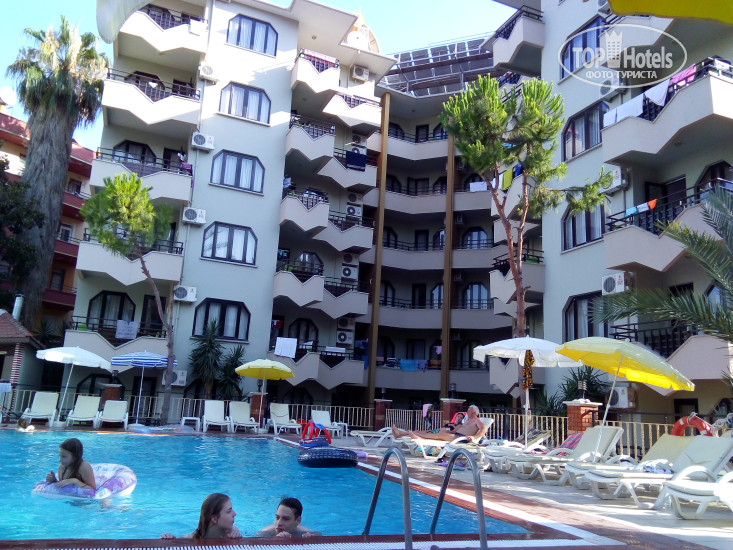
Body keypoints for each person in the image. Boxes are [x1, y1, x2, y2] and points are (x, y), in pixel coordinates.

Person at [161, 493, 241, 540]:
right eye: (229, 511)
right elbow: (178, 542)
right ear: (214, 518)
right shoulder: (191, 539)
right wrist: (169, 538)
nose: (235, 513)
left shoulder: (233, 531)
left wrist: (236, 539)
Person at [391, 405, 487, 443]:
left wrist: (475, 437)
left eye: (469, 410)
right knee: (432, 433)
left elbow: (483, 429)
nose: (467, 412)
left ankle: (418, 438)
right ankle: (400, 434)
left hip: (462, 438)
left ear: (474, 412)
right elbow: (456, 430)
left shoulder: (477, 420)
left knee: (439, 434)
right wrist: (450, 431)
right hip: (455, 435)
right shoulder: (467, 421)